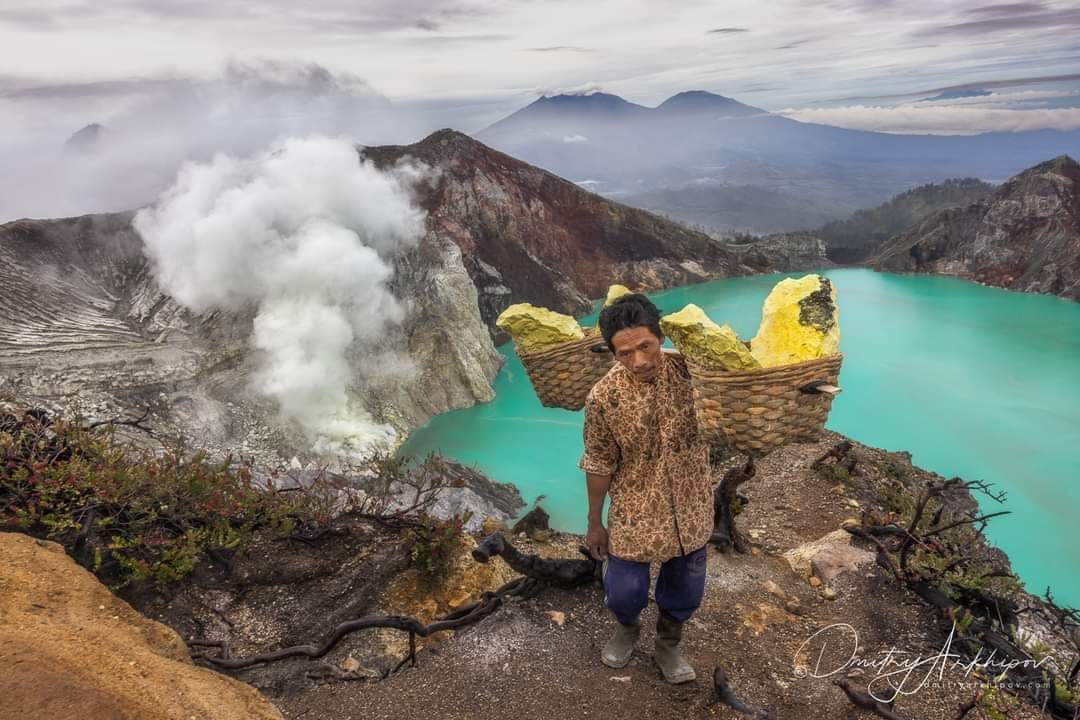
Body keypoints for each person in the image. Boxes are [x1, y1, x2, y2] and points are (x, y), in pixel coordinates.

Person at [578, 293, 713, 684]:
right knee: (623, 589)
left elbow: (745, 374)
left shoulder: (693, 374)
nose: (638, 361)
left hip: (691, 505)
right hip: (636, 509)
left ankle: (668, 644)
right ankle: (627, 628)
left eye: (645, 346)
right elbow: (599, 461)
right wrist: (594, 522)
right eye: (624, 353)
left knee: (686, 586)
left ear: (660, 338)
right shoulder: (603, 398)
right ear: (612, 353)